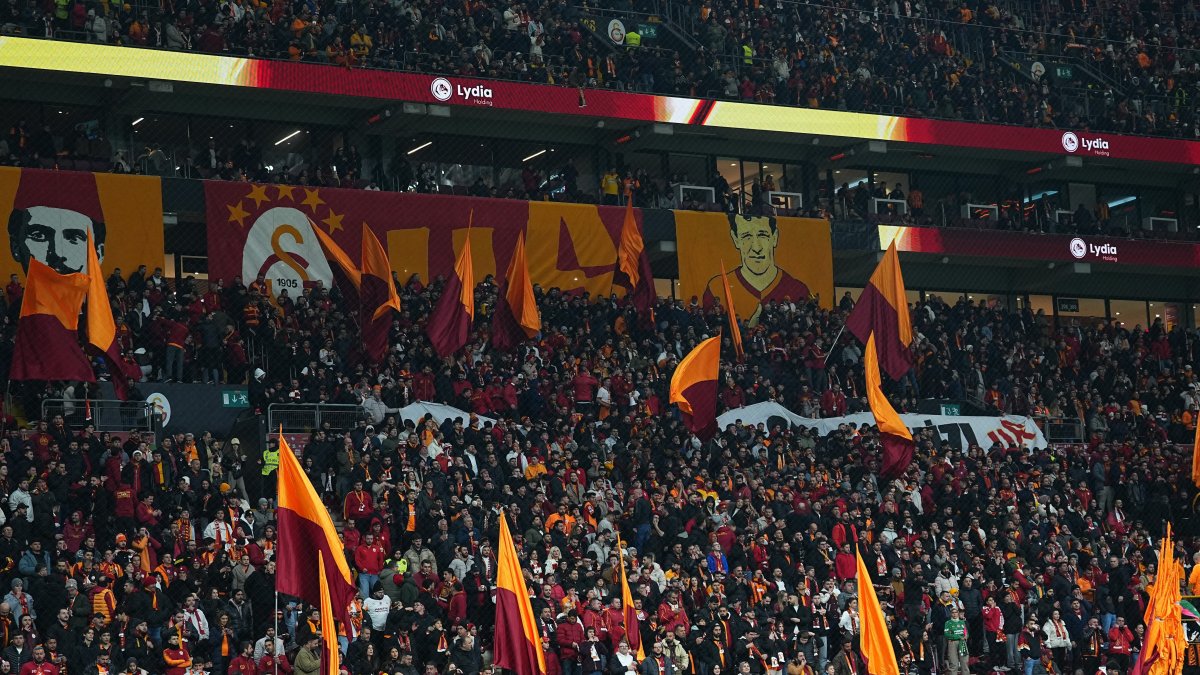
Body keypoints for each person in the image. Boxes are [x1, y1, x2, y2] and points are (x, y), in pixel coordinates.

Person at [702, 212, 810, 323]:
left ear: (775, 237)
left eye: (762, 235)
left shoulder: (798, 289)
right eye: (746, 237)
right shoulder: (716, 288)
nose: (756, 247)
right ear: (736, 239)